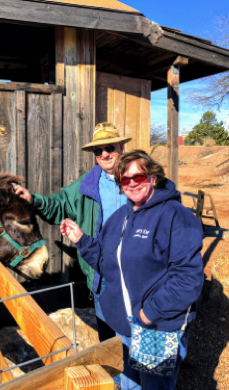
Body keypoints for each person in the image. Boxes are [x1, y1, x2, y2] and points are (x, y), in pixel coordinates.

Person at [60, 150, 204, 390]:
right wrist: (82, 240)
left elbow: (187, 280)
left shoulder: (176, 217)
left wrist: (148, 314)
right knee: (129, 387)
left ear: (154, 177)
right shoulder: (120, 218)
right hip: (123, 326)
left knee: (153, 387)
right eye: (125, 179)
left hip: (155, 327)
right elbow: (107, 262)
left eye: (140, 176)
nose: (133, 183)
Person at [14, 122, 132, 345]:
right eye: (99, 150)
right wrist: (33, 200)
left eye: (110, 147)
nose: (105, 154)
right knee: (109, 338)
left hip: (136, 273)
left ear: (121, 147)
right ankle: (117, 379)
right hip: (103, 272)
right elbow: (59, 205)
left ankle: (139, 377)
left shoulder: (138, 179)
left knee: (135, 334)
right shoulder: (86, 185)